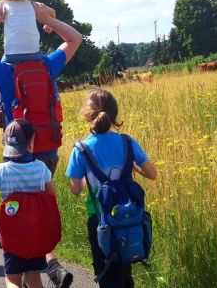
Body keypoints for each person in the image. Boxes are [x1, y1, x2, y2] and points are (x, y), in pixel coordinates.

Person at [0, 0, 82, 288]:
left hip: (16, 155)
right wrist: (47, 19)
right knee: (37, 213)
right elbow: (75, 38)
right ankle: (47, 264)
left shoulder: (4, 72)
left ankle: (22, 274)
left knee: (18, 219)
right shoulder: (47, 65)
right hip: (46, 152)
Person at [66, 88, 158, 288]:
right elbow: (152, 174)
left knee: (107, 274)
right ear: (114, 113)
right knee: (125, 272)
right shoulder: (127, 142)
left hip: (100, 220)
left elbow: (75, 189)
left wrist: (88, 178)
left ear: (87, 115)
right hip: (129, 217)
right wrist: (133, 167)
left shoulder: (81, 149)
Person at [0, 119, 56, 288]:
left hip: (12, 235)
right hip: (36, 234)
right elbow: (52, 197)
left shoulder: (3, 170)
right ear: (31, 143)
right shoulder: (41, 168)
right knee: (34, 279)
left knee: (12, 279)